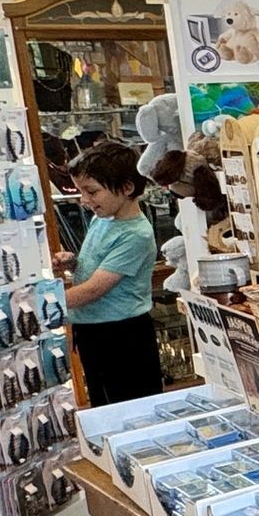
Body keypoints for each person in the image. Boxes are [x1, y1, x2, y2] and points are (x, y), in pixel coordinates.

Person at [55, 140, 162, 406]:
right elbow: (94, 265)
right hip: (91, 331)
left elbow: (95, 289)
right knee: (103, 406)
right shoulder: (102, 219)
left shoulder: (136, 234)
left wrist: (43, 304)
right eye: (82, 191)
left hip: (122, 337)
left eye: (92, 192)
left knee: (131, 410)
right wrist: (71, 263)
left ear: (127, 188)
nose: (84, 200)